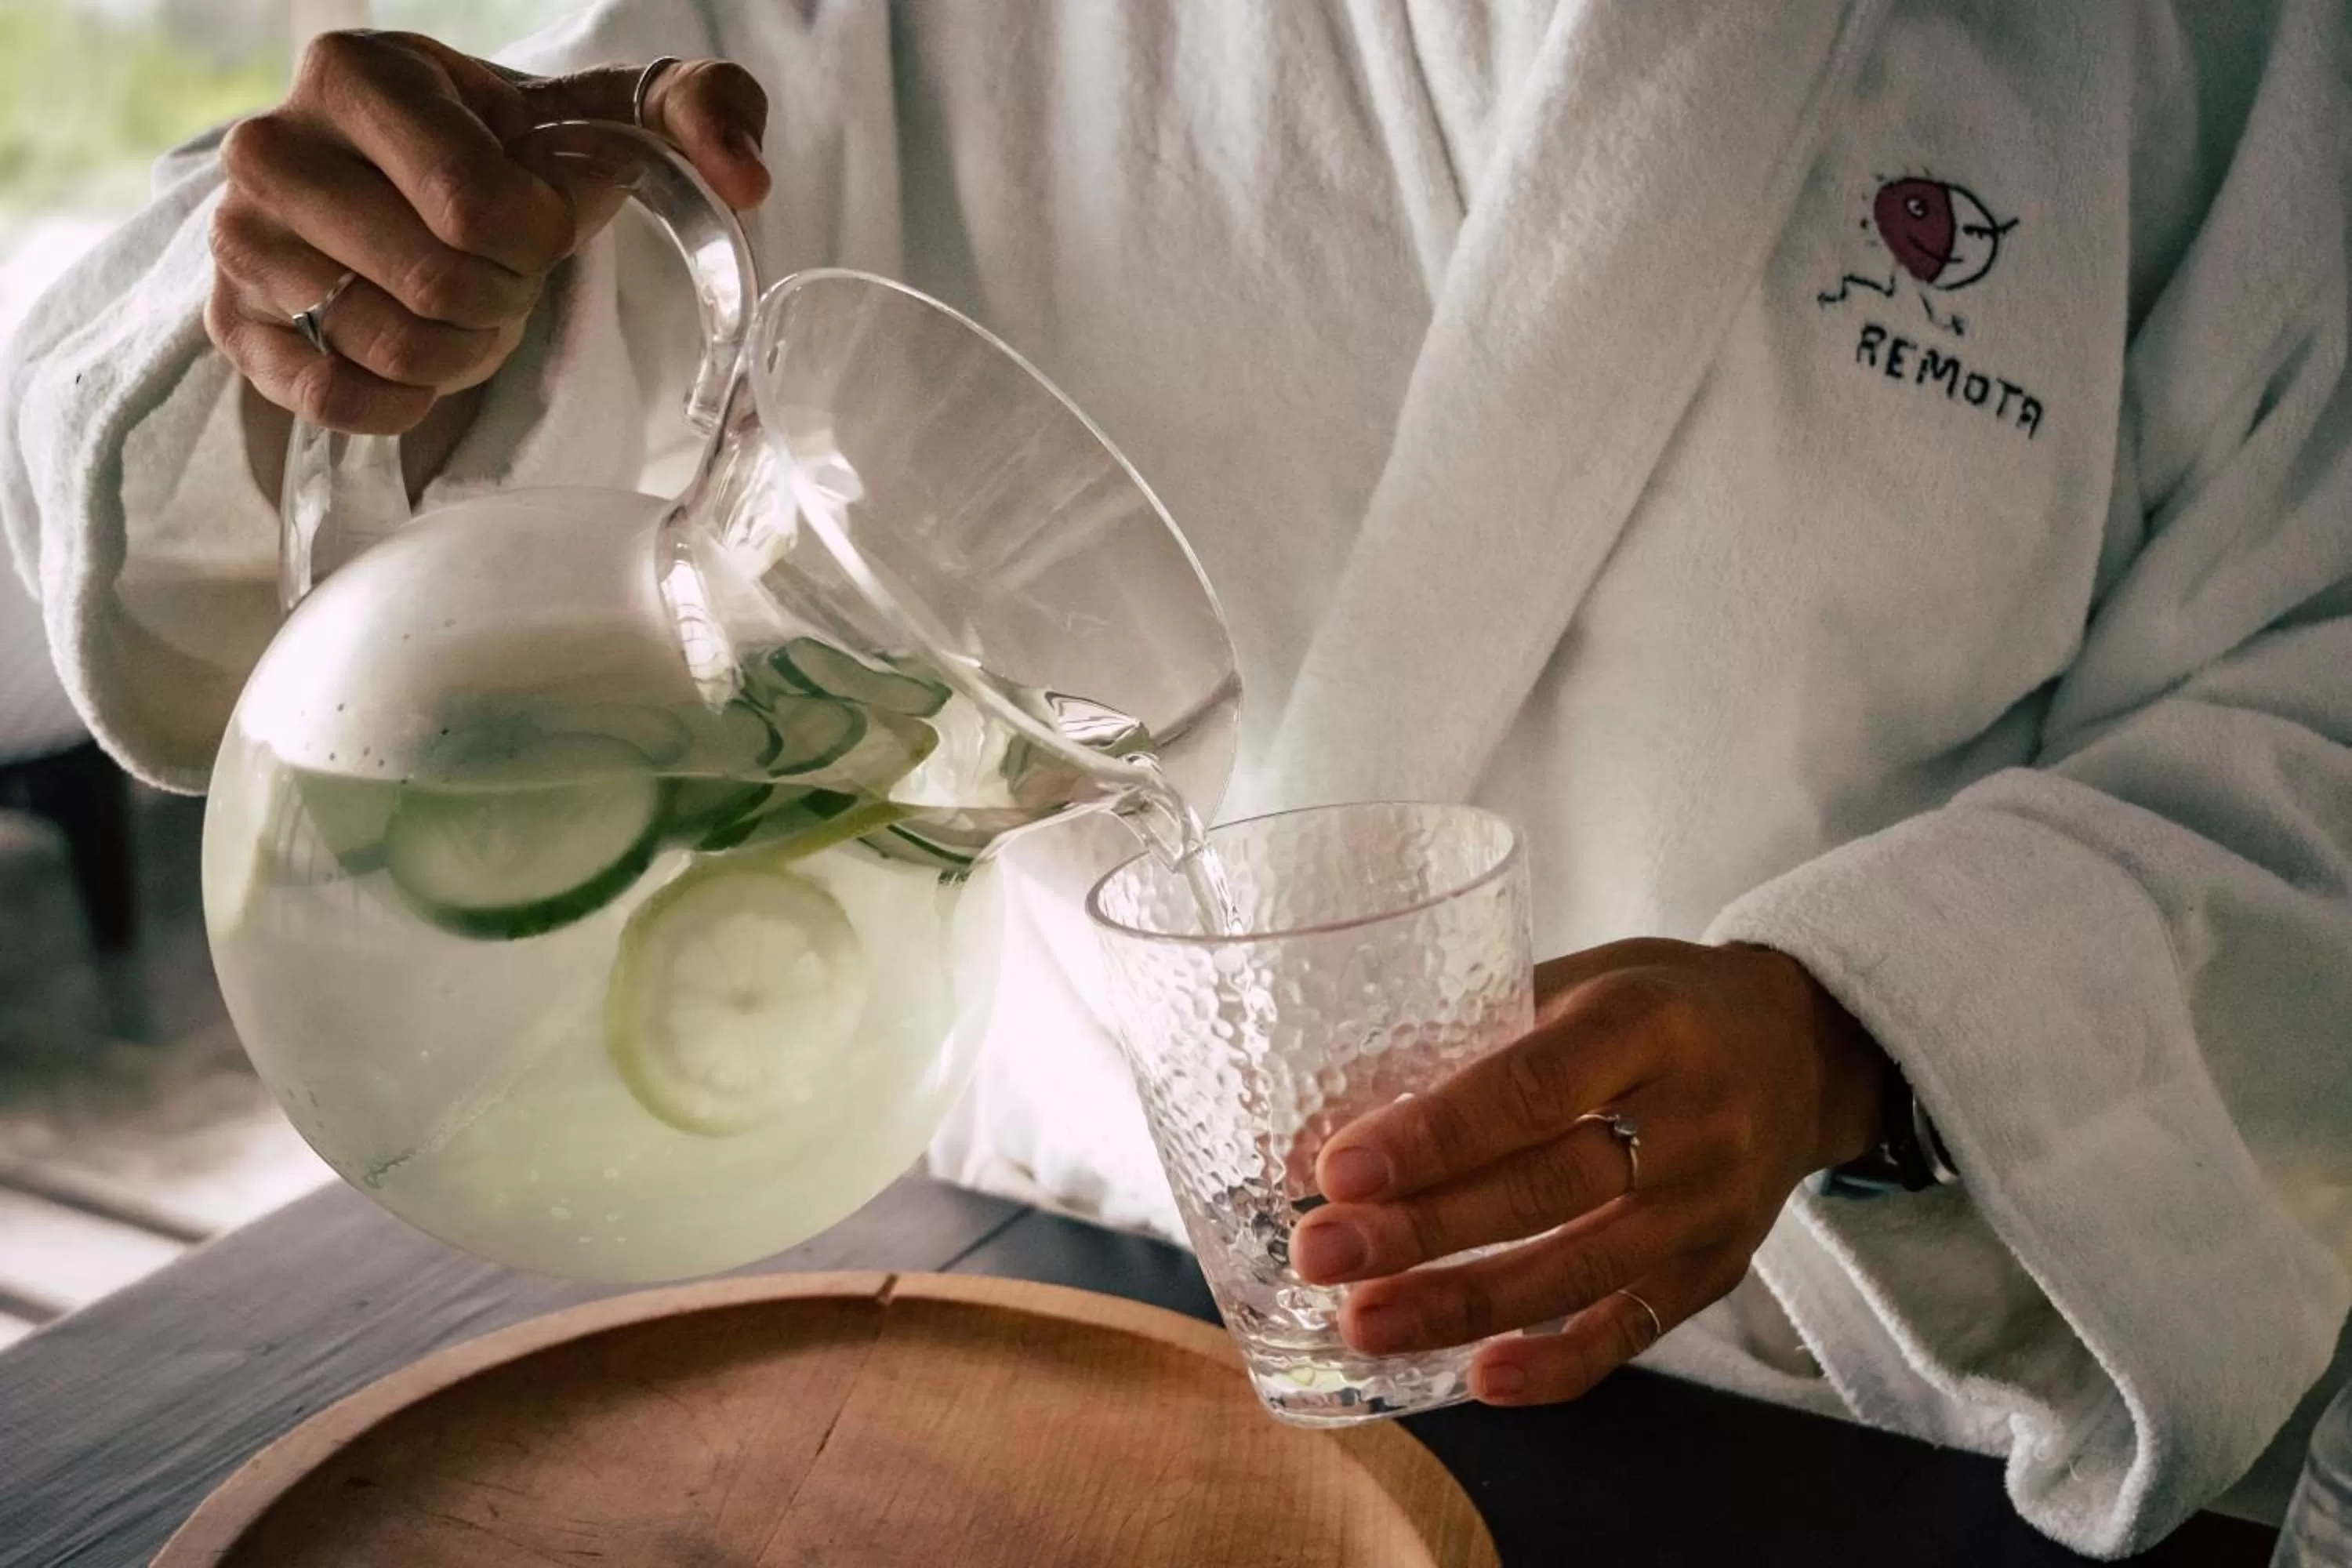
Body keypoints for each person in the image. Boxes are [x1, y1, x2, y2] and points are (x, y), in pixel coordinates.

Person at [5, 2, 2348, 1555]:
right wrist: (368, 289)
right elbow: (431, 245)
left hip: (1819, 1379)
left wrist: (1854, 1031)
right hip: (1001, 1284)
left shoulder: (2201, 50)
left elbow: (2316, 680)